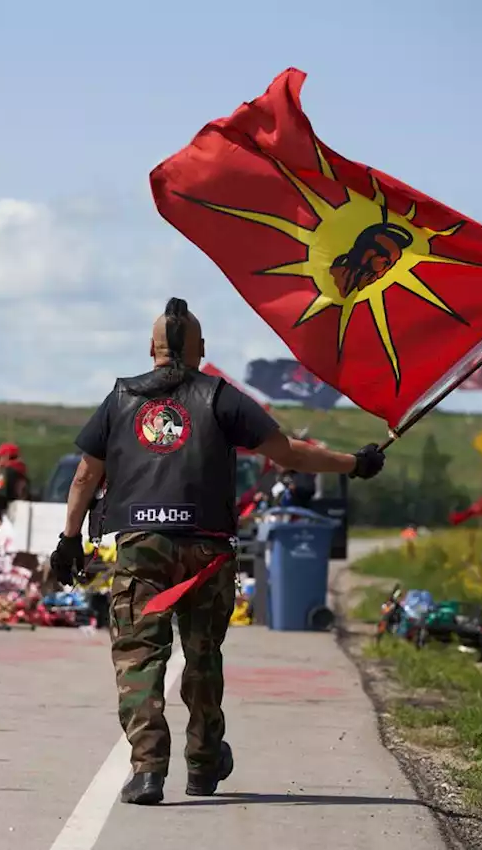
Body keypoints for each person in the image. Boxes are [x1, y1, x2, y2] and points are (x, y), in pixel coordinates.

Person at [49, 297, 386, 806]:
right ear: (200, 350)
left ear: (152, 349)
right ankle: (204, 764)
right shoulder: (221, 397)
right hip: (207, 551)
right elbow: (288, 453)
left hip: (142, 547)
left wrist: (69, 540)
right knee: (203, 655)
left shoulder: (119, 400)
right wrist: (354, 465)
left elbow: (84, 476)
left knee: (140, 657)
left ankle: (147, 770)